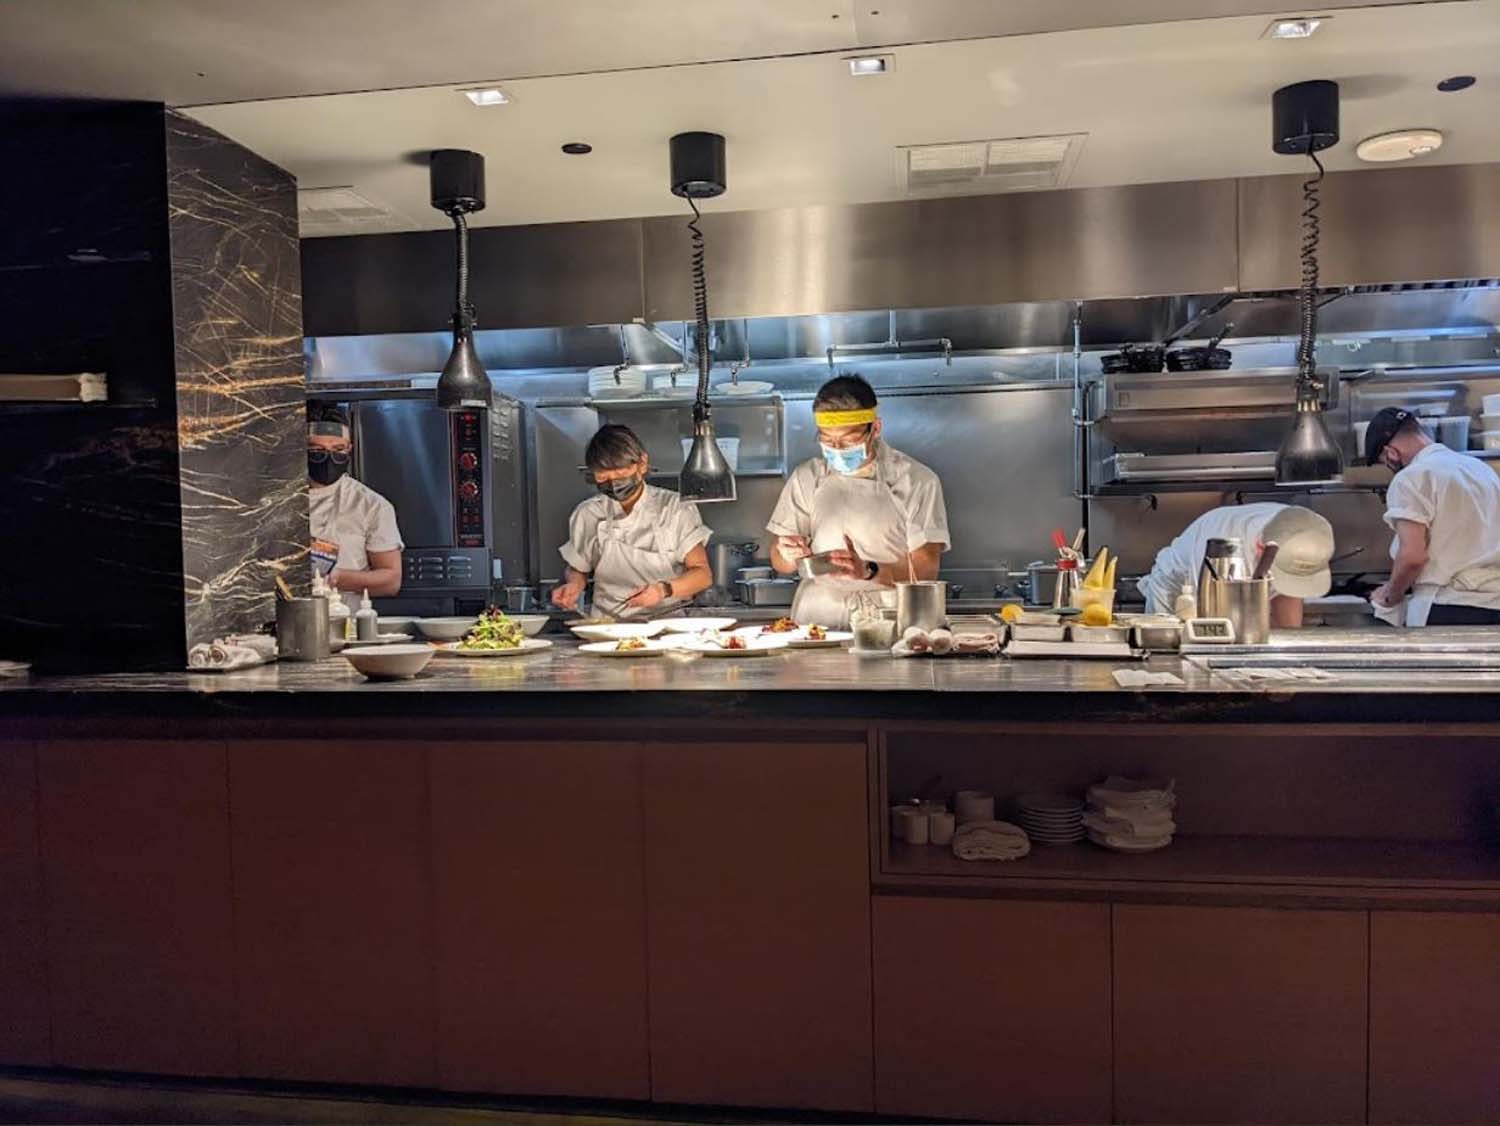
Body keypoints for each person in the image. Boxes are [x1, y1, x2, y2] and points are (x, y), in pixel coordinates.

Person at [767, 374, 950, 628]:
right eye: (827, 440)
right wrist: (787, 552)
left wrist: (869, 571)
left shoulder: (917, 480)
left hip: (888, 620)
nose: (837, 449)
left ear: (875, 428)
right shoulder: (807, 477)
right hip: (817, 620)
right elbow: (779, 562)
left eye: (849, 441)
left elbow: (926, 569)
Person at [551, 424, 713, 619]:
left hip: (666, 623)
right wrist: (574, 585)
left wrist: (663, 590)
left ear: (642, 463)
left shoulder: (675, 509)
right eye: (603, 477)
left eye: (620, 474)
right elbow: (579, 568)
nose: (613, 484)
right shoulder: (588, 513)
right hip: (606, 625)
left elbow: (702, 575)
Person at [1365, 406, 1500, 626]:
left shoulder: (1412, 477)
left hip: (1449, 608)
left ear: (1391, 452)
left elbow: (1412, 557)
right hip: (1495, 604)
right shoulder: (1481, 470)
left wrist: (1389, 596)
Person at [1138, 503, 1334, 627]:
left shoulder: (1302, 531)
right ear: (1260, 548)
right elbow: (1211, 620)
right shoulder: (1223, 546)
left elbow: (1289, 598)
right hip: (1179, 593)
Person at [306, 402, 403, 608]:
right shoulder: (273, 503)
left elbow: (391, 580)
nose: (329, 458)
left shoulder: (371, 505)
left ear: (349, 449)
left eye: (338, 449)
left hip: (346, 620)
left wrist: (336, 577)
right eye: (317, 450)